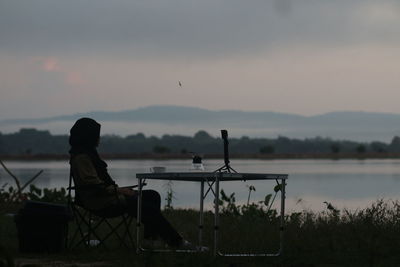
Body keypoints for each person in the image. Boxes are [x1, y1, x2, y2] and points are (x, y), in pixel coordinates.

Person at [69, 117, 186, 248]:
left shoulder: (88, 153)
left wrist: (120, 190)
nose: (99, 139)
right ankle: (177, 242)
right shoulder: (81, 157)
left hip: (107, 196)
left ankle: (151, 240)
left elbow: (98, 185)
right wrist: (120, 191)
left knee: (152, 196)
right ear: (89, 136)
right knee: (147, 208)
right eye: (97, 135)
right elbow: (94, 186)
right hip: (100, 202)